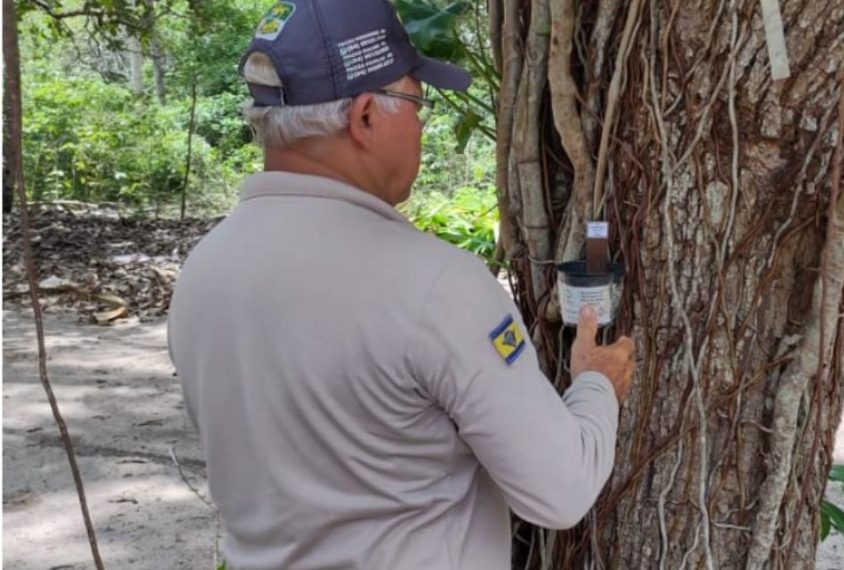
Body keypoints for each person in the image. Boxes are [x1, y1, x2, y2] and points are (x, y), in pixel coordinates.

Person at [166, 0, 636, 568]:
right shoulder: (435, 285)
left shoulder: (204, 271)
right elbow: (558, 491)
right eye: (417, 103)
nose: (420, 123)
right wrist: (595, 386)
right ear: (365, 116)